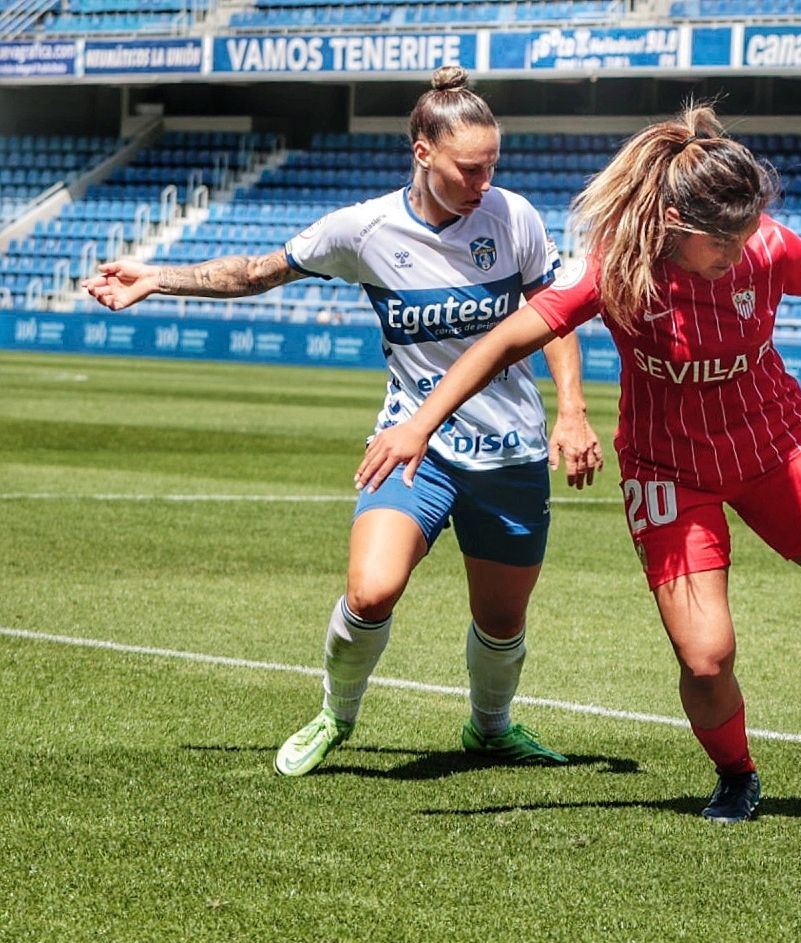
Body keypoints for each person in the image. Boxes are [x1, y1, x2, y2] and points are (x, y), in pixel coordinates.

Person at [351, 103, 801, 824]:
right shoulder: (616, 274)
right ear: (672, 222)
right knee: (705, 656)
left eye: (747, 233)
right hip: (668, 471)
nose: (739, 251)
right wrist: (421, 421)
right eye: (721, 241)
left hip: (777, 446)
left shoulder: (763, 245)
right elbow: (506, 339)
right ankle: (737, 773)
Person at [82, 67, 604, 776]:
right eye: (469, 167)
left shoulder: (514, 218)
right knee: (370, 590)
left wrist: (572, 412)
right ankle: (336, 712)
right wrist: (157, 276)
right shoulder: (363, 230)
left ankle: (490, 727)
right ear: (423, 152)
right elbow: (258, 271)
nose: (484, 181)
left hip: (510, 450)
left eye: (492, 166)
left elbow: (557, 320)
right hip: (412, 447)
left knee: (502, 620)